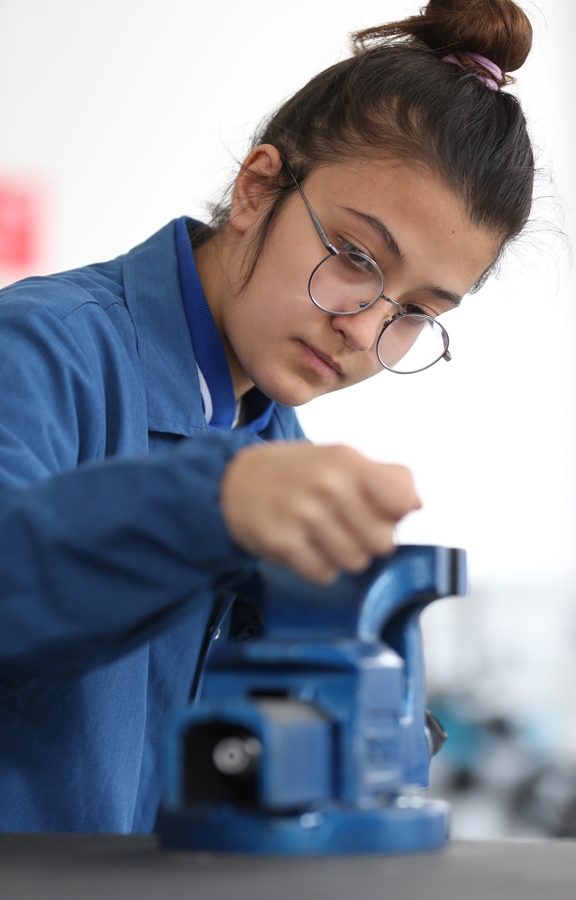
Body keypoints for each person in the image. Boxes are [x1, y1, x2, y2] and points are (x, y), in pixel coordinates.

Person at [0, 0, 535, 833]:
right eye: (354, 256)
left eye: (417, 312)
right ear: (257, 189)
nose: (365, 330)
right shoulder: (41, 350)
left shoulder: (271, 438)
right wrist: (213, 505)